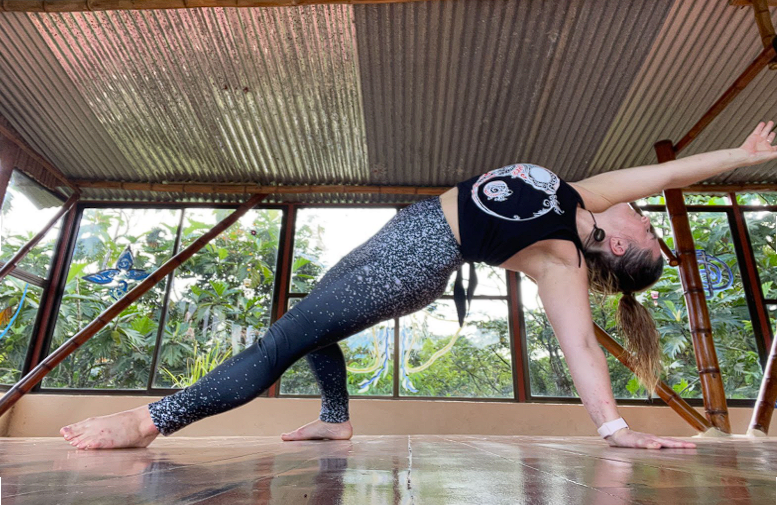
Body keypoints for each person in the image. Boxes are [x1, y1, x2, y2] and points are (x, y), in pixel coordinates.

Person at [60, 121, 776, 450]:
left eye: (648, 231)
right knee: (305, 320)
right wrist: (740, 157)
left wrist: (615, 428)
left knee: (287, 335)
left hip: (413, 262)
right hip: (402, 236)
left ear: (618, 248)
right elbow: (672, 173)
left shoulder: (558, 258)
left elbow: (582, 350)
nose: (646, 213)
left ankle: (151, 421)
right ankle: (336, 418)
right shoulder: (575, 195)